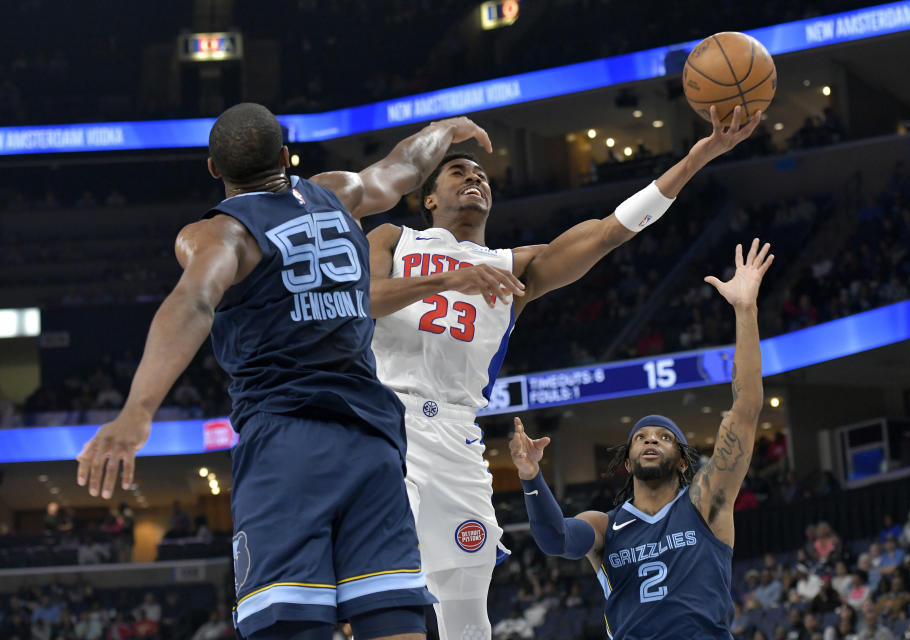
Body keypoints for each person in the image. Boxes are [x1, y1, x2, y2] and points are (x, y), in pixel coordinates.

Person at [76, 103, 495, 640]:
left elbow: (194, 303)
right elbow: (404, 167)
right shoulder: (339, 192)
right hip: (373, 441)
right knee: (392, 619)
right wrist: (444, 130)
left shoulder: (219, 234)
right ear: (284, 156)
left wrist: (136, 411)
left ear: (214, 168)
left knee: (292, 622)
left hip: (286, 442)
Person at [368, 104, 762, 639]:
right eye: (459, 172)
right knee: (366, 580)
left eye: (481, 174)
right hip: (382, 419)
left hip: (454, 436)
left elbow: (608, 233)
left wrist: (699, 156)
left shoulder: (517, 267)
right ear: (429, 197)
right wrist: (448, 280)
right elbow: (362, 301)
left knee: (465, 606)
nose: (475, 179)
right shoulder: (392, 239)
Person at [508, 237, 774, 638]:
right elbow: (555, 538)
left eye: (664, 437)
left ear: (683, 461)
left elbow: (747, 407)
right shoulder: (603, 526)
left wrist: (745, 309)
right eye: (642, 437)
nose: (651, 440)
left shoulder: (705, 503)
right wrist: (530, 476)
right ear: (628, 462)